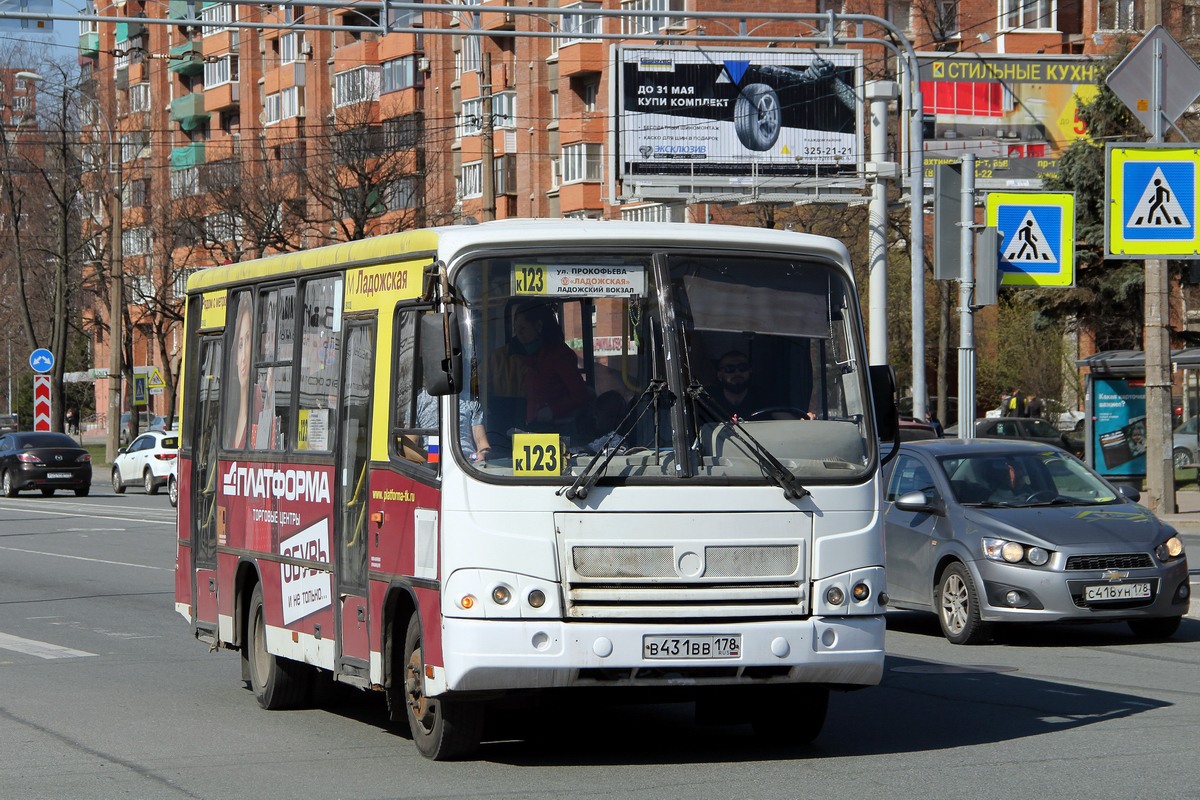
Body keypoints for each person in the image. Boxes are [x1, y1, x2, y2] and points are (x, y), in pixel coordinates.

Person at [508, 301, 589, 427]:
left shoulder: (559, 355)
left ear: (539, 326)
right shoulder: (521, 356)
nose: (519, 335)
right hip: (532, 426)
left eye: (523, 328)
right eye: (515, 329)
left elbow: (580, 395)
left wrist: (553, 410)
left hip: (559, 427)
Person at [705, 350, 774, 422]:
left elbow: (783, 420)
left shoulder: (764, 397)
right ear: (720, 375)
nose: (737, 373)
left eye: (742, 367)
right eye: (730, 368)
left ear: (750, 371)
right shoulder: (708, 400)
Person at [224, 293, 254, 449]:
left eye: (248, 339)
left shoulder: (257, 399)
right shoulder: (229, 407)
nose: (243, 358)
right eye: (240, 345)